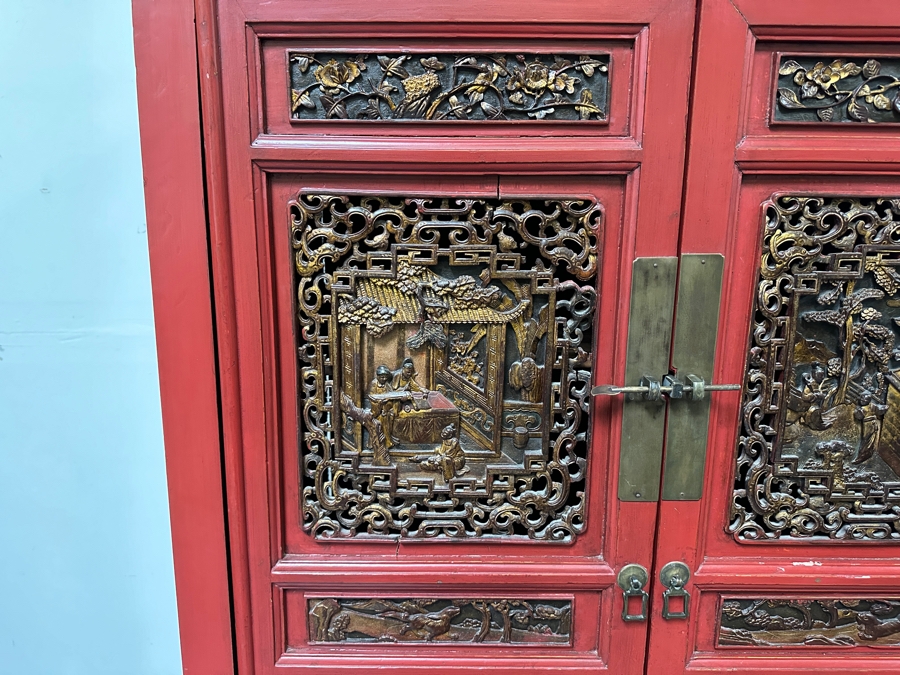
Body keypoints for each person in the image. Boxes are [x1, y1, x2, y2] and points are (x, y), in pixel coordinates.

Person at [854, 391, 888, 465]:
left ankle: (867, 454)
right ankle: (862, 455)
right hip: (866, 426)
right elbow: (858, 416)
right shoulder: (862, 409)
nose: (862, 400)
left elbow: (880, 410)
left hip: (873, 425)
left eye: (864, 399)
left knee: (872, 440)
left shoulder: (872, 406)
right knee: (866, 440)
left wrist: (885, 408)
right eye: (861, 399)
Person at [368, 365, 398, 447]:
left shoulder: (386, 384)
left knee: (391, 415)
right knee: (381, 419)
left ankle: (388, 440)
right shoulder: (374, 384)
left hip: (386, 407)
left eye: (385, 377)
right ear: (377, 376)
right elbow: (371, 397)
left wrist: (387, 402)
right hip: (377, 409)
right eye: (382, 377)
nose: (384, 379)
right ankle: (380, 442)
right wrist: (380, 403)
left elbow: (391, 395)